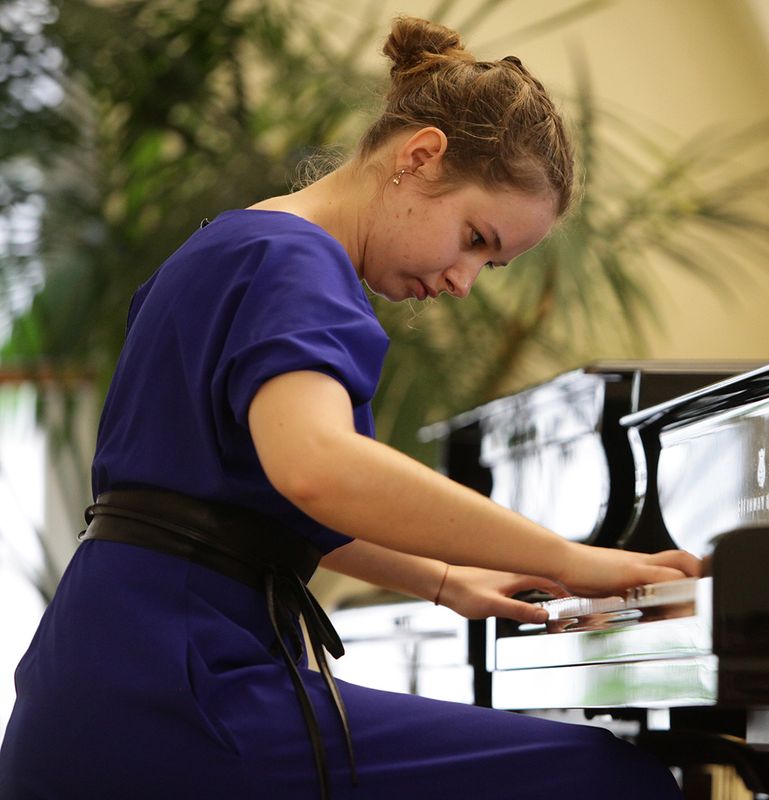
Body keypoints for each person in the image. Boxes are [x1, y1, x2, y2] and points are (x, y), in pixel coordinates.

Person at [0, 15, 698, 800]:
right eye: (474, 237)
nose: (464, 281)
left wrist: (445, 580)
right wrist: (574, 561)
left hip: (98, 680)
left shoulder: (230, 244)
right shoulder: (298, 262)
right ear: (420, 156)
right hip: (180, 694)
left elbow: (248, 501)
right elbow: (320, 470)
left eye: (490, 264)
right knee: (607, 779)